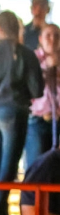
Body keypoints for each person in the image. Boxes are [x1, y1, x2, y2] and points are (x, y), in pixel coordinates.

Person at [0, 11, 44, 215]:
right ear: (17, 28)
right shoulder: (26, 54)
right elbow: (37, 89)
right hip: (15, 111)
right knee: (8, 166)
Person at [26, 23, 60, 168]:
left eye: (57, 36)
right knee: (36, 167)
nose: (52, 40)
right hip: (37, 120)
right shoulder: (32, 59)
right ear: (40, 39)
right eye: (48, 36)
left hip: (58, 120)